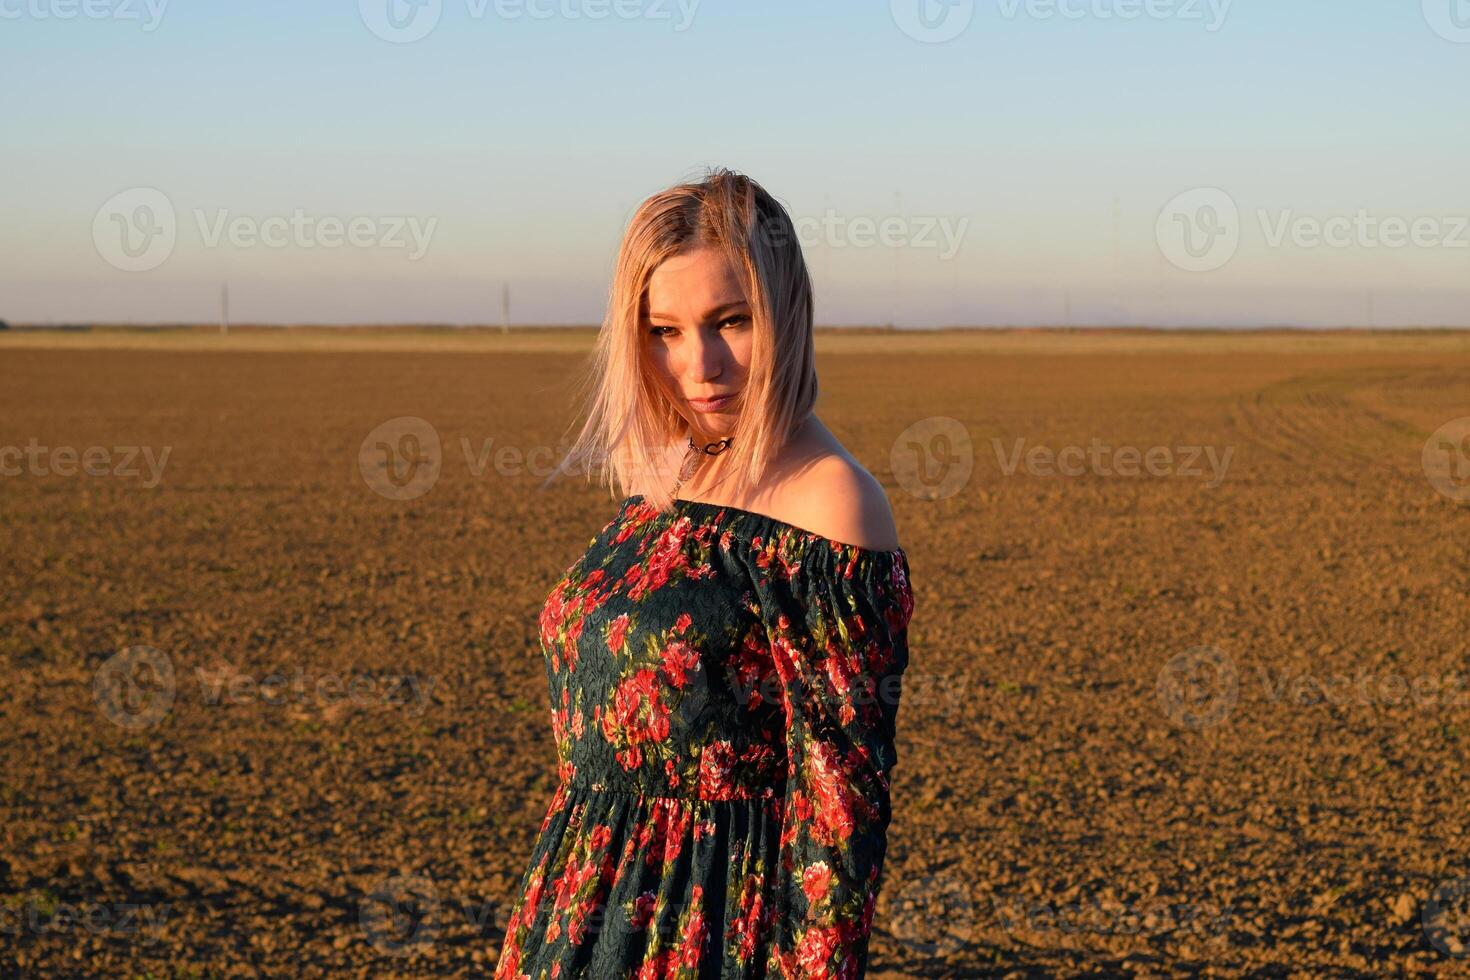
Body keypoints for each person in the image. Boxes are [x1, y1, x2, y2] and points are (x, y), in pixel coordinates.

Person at [496, 168, 916, 979]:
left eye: (733, 320)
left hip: (706, 929)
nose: (701, 365)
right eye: (665, 331)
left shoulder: (831, 508)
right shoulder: (671, 469)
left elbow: (841, 812)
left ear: (787, 311)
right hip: (578, 912)